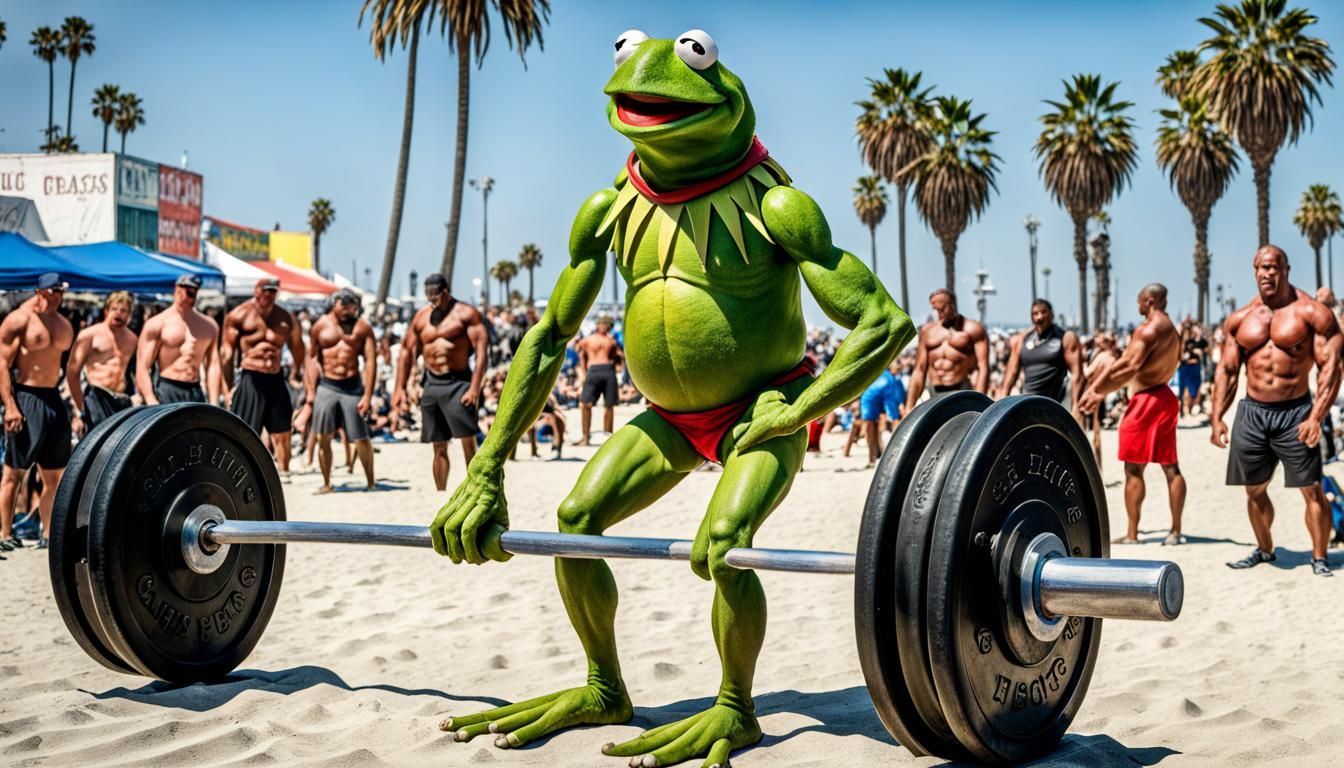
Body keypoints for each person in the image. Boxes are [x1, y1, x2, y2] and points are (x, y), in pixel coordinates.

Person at [430, 34, 911, 766]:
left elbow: (882, 322)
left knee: (724, 546)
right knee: (576, 522)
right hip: (669, 420)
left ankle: (735, 708)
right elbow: (550, 336)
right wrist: (487, 465)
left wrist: (798, 411)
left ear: (729, 94)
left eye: (690, 58)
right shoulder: (608, 208)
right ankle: (604, 687)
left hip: (761, 409)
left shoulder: (777, 205)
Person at [1213, 246, 1342, 576]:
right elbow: (1227, 371)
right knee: (1254, 489)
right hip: (1252, 413)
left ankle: (1319, 557)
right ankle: (1265, 548)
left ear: (1286, 269)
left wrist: (1316, 417)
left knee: (1311, 488)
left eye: (1273, 267)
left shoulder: (1312, 313)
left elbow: (1332, 369)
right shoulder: (1240, 319)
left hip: (1296, 412)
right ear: (1254, 271)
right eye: (1261, 267)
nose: (1266, 273)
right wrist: (1217, 416)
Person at [1081, 284, 1185, 545]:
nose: (1137, 306)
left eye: (1139, 301)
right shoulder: (1172, 330)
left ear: (1149, 301)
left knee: (1133, 469)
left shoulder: (1148, 329)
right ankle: (1175, 532)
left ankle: (1132, 534)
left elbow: (1128, 365)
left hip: (1146, 401)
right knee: (1171, 466)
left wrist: (1096, 391)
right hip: (1165, 396)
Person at [393, 273, 489, 491]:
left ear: (445, 292)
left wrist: (475, 388)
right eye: (428, 296)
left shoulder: (466, 314)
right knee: (438, 445)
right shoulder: (421, 317)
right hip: (432, 383)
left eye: (435, 296)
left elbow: (482, 353)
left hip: (459, 382)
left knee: (467, 440)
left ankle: (474, 490)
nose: (431, 300)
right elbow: (407, 351)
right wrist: (401, 387)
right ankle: (441, 493)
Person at [0, 273, 74, 551]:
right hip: (26, 396)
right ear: (40, 291)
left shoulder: (63, 323)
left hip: (53, 398)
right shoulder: (19, 319)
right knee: (14, 473)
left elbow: (67, 365)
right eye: (54, 292)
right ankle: (4, 534)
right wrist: (10, 406)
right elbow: (2, 364)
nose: (59, 297)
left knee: (54, 476)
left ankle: (48, 533)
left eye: (61, 292)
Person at [220, 278, 305, 472]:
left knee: (283, 432)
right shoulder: (239, 315)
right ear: (256, 290)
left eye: (273, 291)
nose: (269, 294)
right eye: (266, 290)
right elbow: (226, 355)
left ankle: (284, 474)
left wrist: (295, 373)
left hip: (275, 377)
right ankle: (241, 473)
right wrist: (228, 388)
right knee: (245, 433)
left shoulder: (285, 317)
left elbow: (298, 347)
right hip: (251, 377)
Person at [294, 291, 376, 493]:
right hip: (327, 385)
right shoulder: (320, 326)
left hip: (352, 386)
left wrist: (367, 395)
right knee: (323, 436)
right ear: (334, 305)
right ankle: (327, 483)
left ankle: (371, 482)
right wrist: (310, 391)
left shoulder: (362, 327)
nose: (349, 311)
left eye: (353, 308)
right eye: (345, 307)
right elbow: (311, 359)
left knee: (360, 437)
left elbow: (370, 361)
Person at [136, 274, 223, 406]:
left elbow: (213, 364)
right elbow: (142, 366)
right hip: (167, 388)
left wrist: (214, 402)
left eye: (193, 291)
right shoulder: (158, 323)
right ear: (177, 289)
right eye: (187, 290)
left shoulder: (209, 326)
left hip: (194, 390)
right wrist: (150, 399)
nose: (189, 295)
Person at [904, 289, 988, 412]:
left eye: (942, 309)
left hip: (961, 390)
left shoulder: (973, 329)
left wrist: (980, 404)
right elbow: (919, 370)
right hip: (934, 391)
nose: (939, 313)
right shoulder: (927, 332)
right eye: (935, 309)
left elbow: (983, 367)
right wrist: (909, 406)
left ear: (952, 305)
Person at [66, 291, 138, 435]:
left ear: (129, 315)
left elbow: (134, 371)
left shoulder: (132, 339)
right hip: (96, 396)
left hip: (120, 399)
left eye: (123, 310)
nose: (118, 313)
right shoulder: (89, 335)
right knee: (98, 441)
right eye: (114, 309)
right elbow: (72, 371)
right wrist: (79, 406)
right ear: (106, 311)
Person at [996, 299, 1082, 412]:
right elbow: (1012, 372)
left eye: (1043, 312)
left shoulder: (1066, 338)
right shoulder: (1022, 340)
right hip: (1027, 402)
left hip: (1055, 404)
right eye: (1035, 314)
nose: (1039, 317)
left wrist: (1075, 406)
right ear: (1031, 317)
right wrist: (1002, 399)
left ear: (1051, 315)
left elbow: (1077, 374)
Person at [574, 313, 623, 446]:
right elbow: (580, 352)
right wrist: (583, 371)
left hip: (604, 370)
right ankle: (586, 437)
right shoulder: (604, 340)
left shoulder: (603, 340)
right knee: (586, 404)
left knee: (608, 405)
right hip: (598, 370)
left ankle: (606, 436)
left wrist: (583, 370)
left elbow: (578, 351)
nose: (603, 327)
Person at [846, 361, 905, 467]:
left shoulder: (871, 372)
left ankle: (871, 459)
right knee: (894, 419)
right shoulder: (893, 378)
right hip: (886, 384)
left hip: (870, 388)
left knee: (870, 423)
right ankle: (901, 454)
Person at [1178, 319, 1209, 417]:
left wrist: (1201, 352)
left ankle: (1193, 407)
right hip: (1187, 367)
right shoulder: (1188, 341)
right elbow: (1182, 353)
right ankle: (1186, 409)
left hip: (1197, 367)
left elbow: (1208, 352)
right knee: (1186, 389)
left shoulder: (1203, 341)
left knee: (1196, 388)